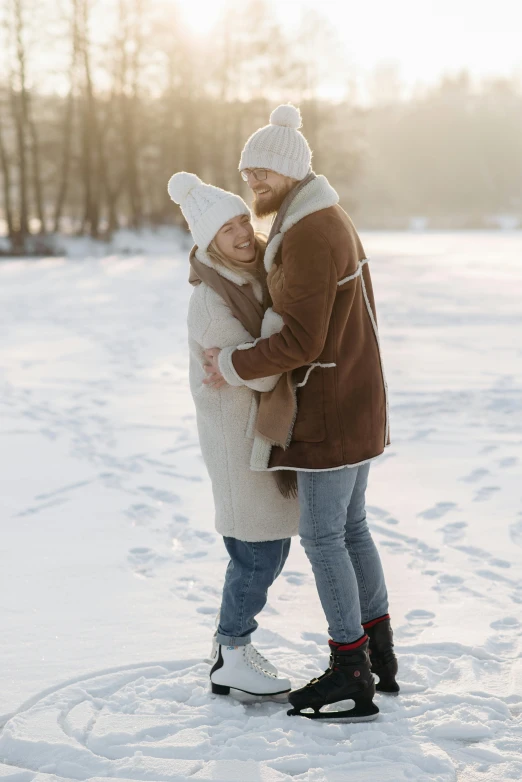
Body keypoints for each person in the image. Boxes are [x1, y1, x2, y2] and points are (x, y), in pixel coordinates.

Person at [202, 105, 399, 722]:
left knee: (323, 536)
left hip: (330, 409)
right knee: (354, 528)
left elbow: (303, 341)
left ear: (290, 171)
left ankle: (350, 670)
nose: (253, 181)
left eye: (262, 172)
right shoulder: (321, 216)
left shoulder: (312, 232)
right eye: (247, 171)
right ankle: (379, 655)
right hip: (358, 401)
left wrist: (231, 365)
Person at [167, 172, 299, 700]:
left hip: (259, 434)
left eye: (243, 219)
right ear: (208, 242)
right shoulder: (212, 300)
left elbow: (251, 365)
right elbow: (264, 371)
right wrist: (286, 322)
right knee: (255, 553)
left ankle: (230, 648)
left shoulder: (256, 276)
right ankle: (232, 652)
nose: (243, 233)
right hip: (234, 439)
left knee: (270, 548)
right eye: (227, 230)